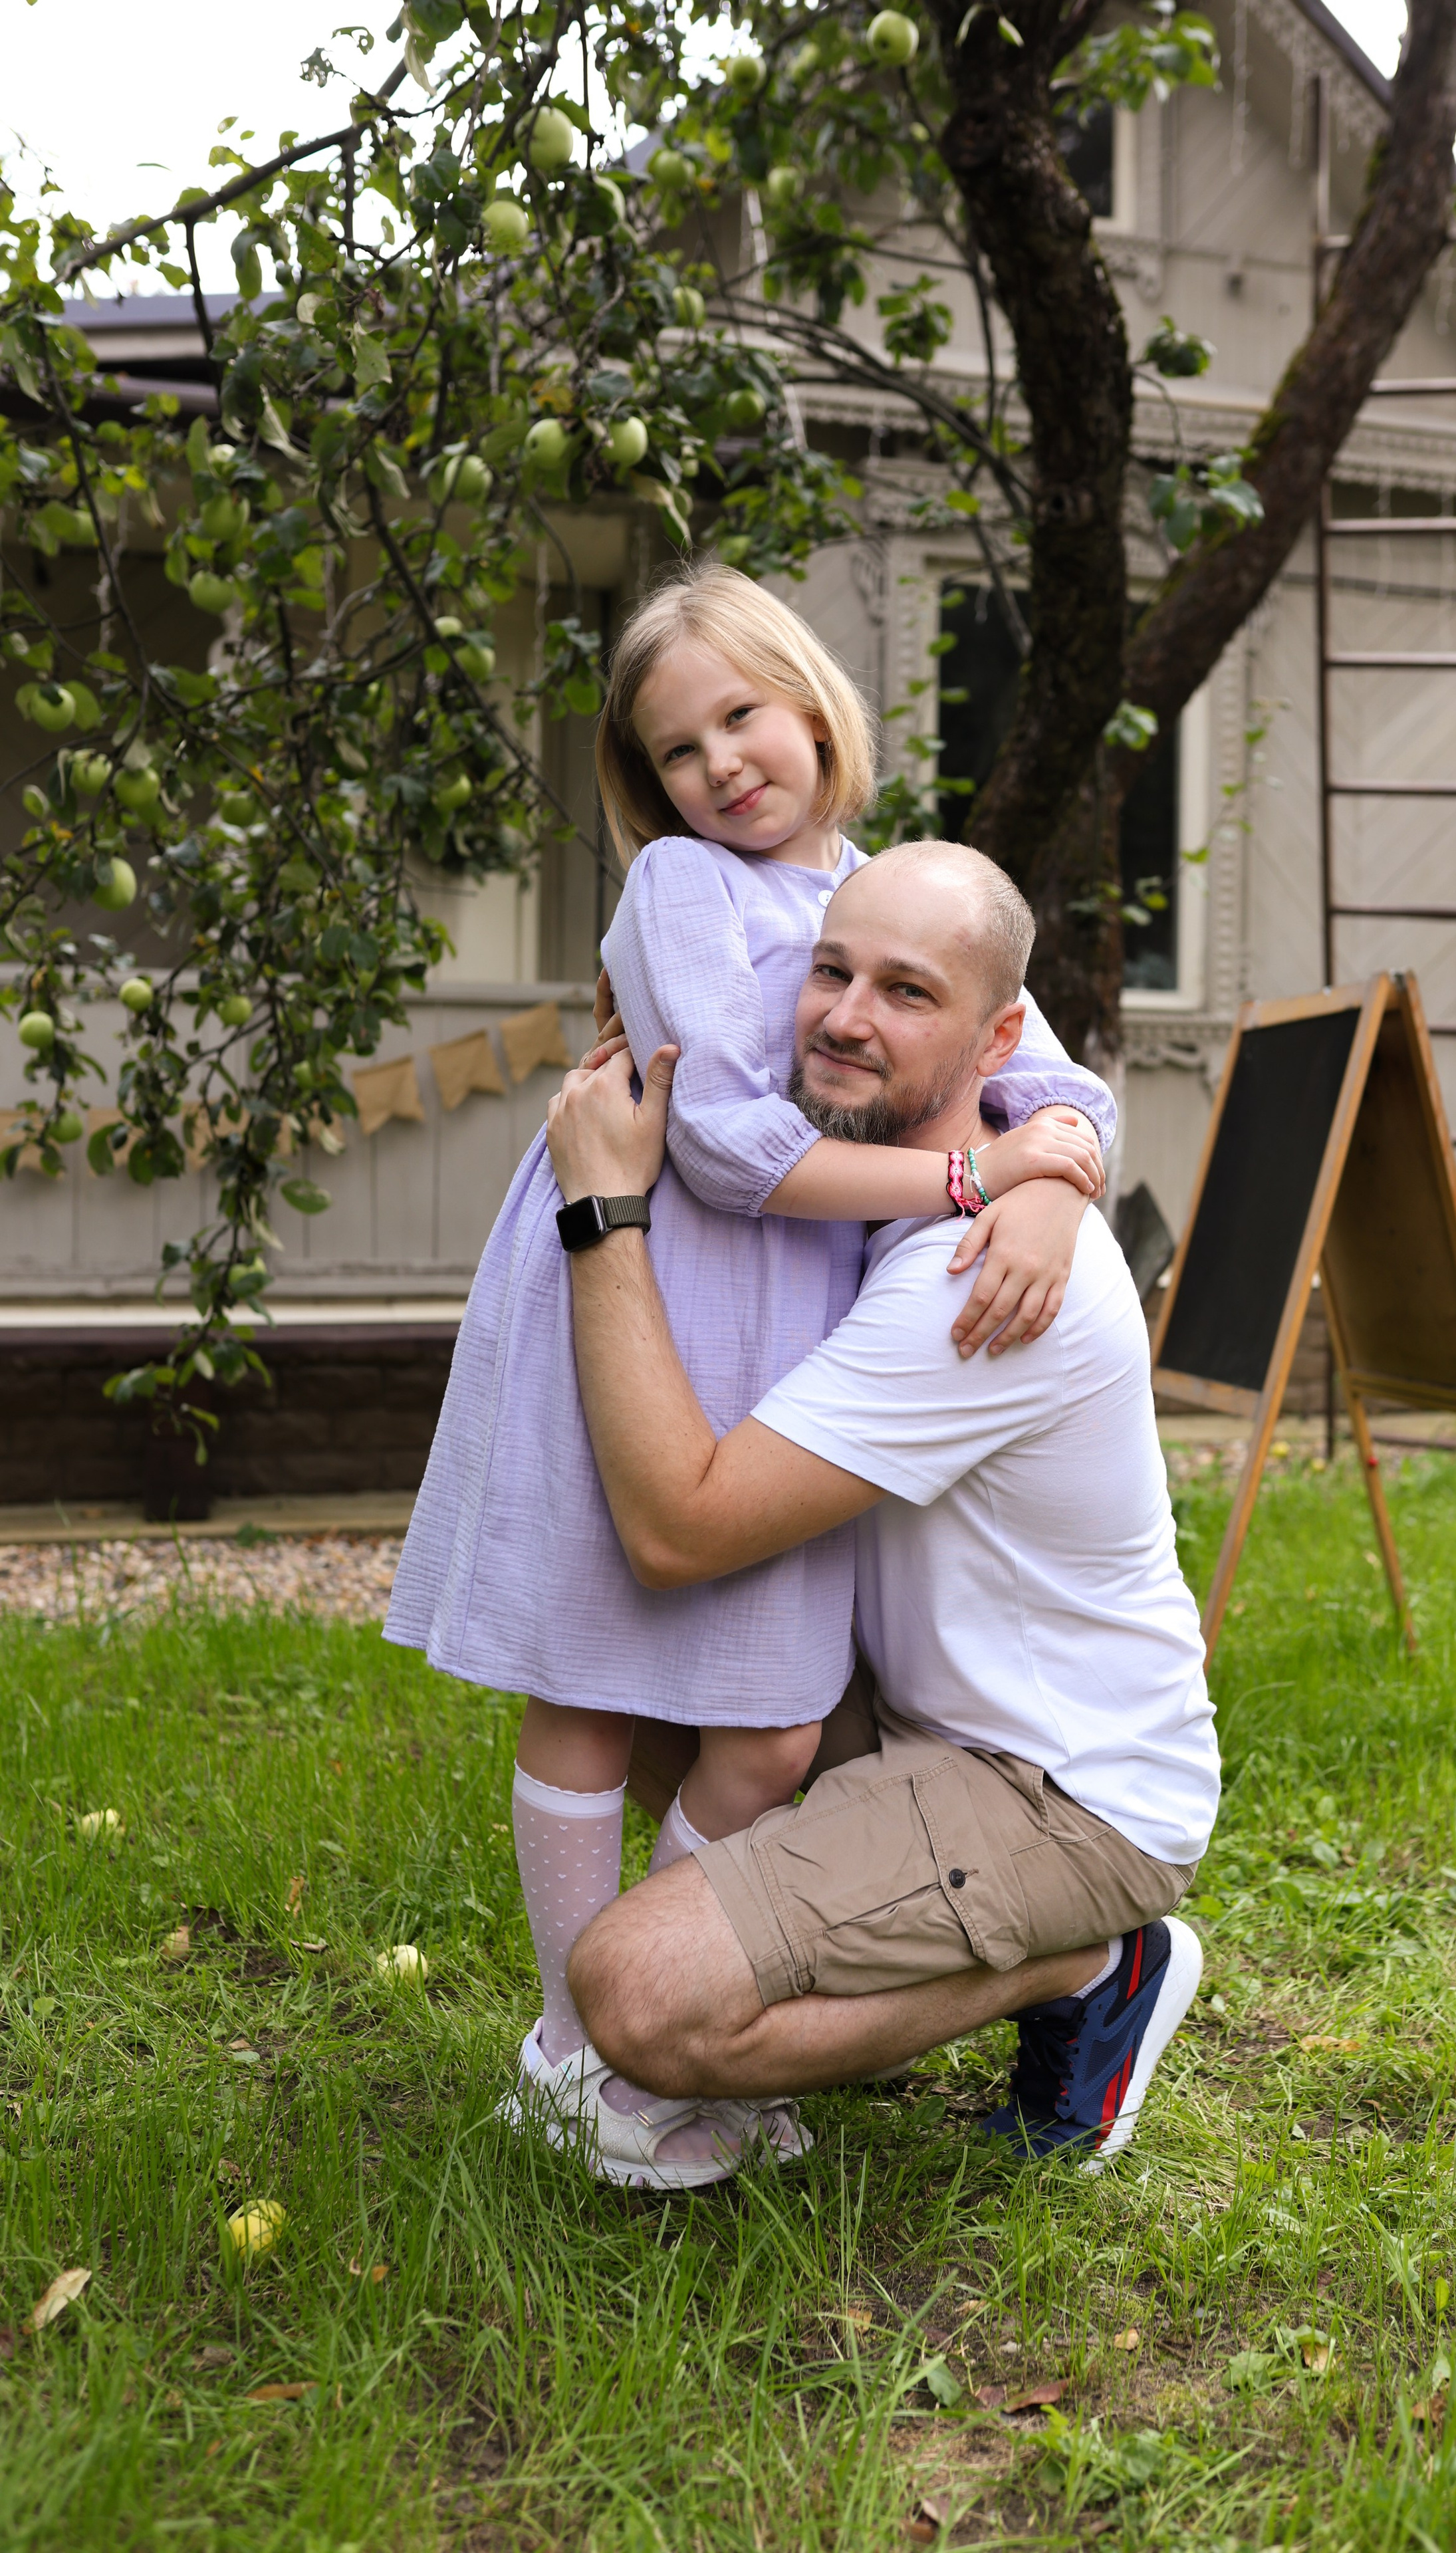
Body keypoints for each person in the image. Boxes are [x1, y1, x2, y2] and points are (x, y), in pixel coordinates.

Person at [384, 567, 1118, 2182]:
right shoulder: (680, 896)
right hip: (647, 1275)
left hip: (800, 1316)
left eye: (740, 715)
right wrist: (960, 1188)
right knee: (588, 1679)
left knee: (771, 1723)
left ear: (812, 706)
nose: (717, 765)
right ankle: (585, 2057)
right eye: (674, 751)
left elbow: (1047, 1074)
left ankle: (623, 2034)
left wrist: (1057, 1165)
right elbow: (719, 1147)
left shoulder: (898, 887)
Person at [539, 839, 1221, 2183]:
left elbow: (680, 1524)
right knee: (645, 1665)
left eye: (906, 992)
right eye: (829, 972)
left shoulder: (969, 1284)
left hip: (1057, 1790)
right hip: (913, 1725)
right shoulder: (880, 1201)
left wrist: (601, 1210)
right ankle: (885, 1929)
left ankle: (1091, 1962)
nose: (846, 1016)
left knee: (633, 1993)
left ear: (996, 1037)